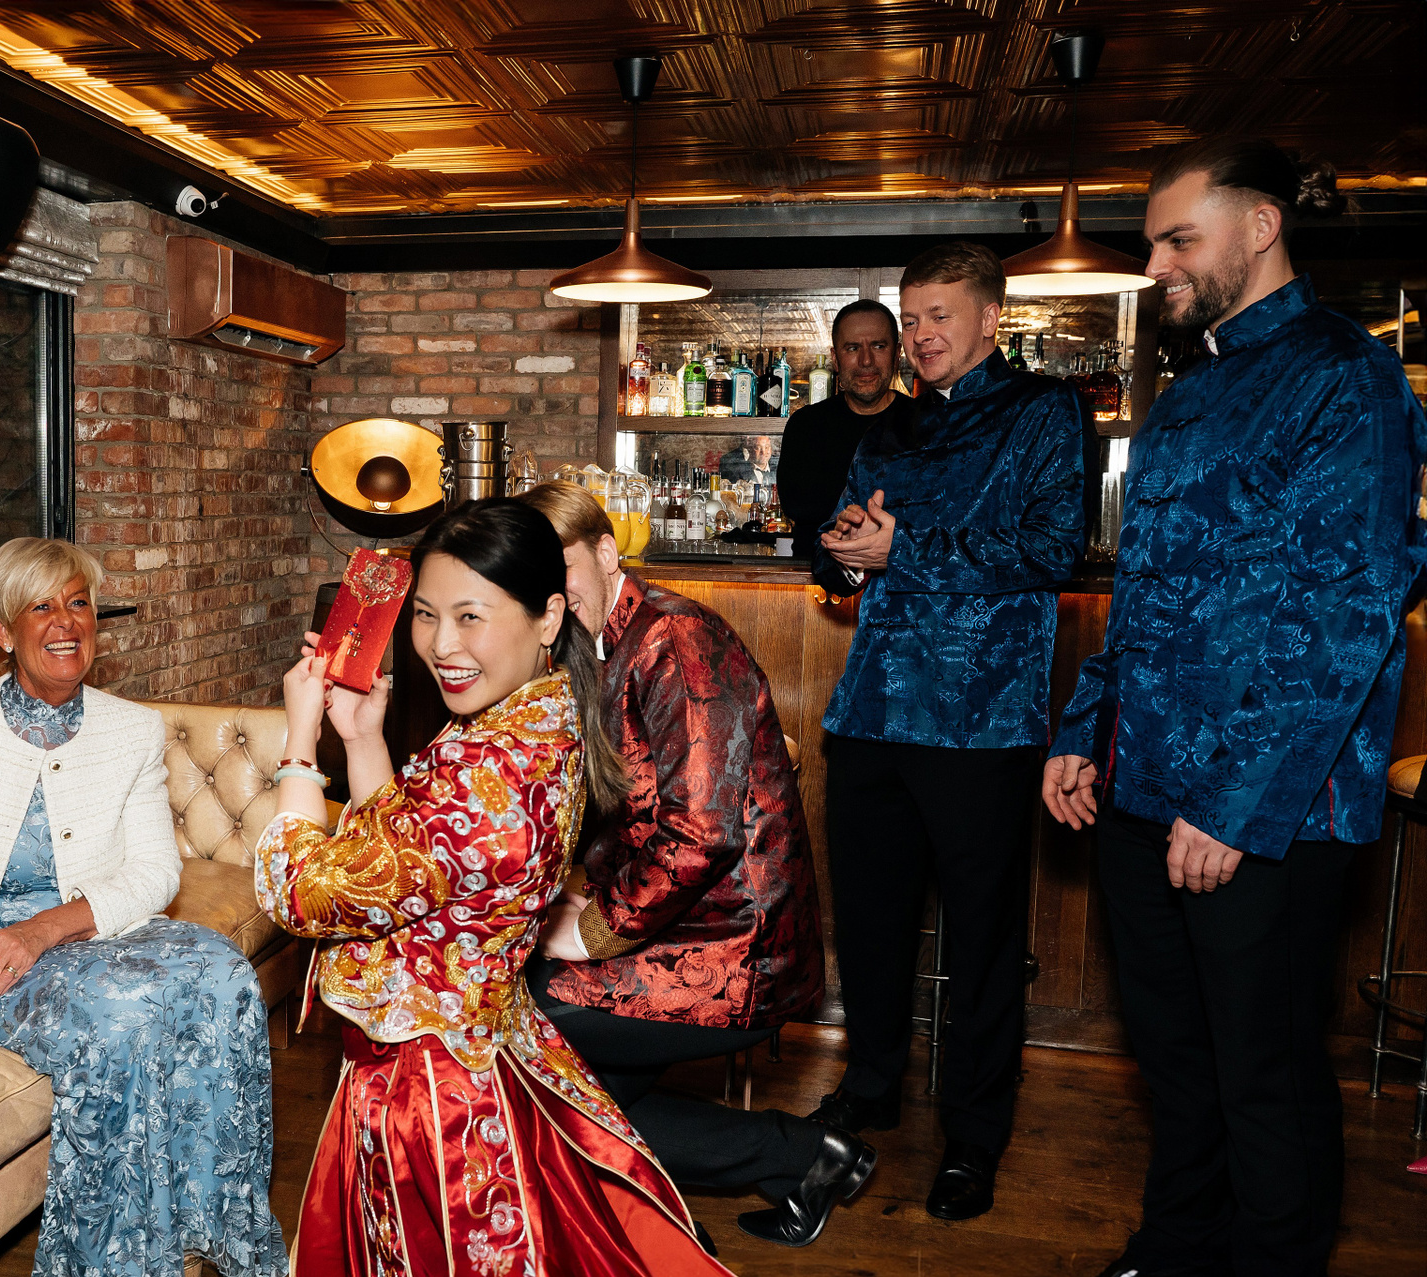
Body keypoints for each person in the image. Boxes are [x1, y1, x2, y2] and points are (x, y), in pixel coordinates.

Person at [1043, 139, 1426, 1277]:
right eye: (1153, 242)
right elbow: (1146, 593)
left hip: (1268, 811)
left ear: (1261, 227)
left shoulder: (1349, 377)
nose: (1157, 263)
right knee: (1173, 1055)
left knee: (1264, 1071)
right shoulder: (1190, 389)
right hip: (1144, 783)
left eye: (1179, 239)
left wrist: (1234, 806)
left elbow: (1344, 615)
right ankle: (1176, 1246)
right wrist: (1084, 728)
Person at [255, 500, 731, 1276]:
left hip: (428, 1096)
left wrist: (299, 744)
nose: (442, 644)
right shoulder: (533, 719)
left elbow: (297, 890)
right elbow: (406, 861)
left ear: (549, 617)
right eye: (426, 615)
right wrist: (364, 736)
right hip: (477, 1053)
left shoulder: (484, 775)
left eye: (470, 616)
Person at [0, 538, 286, 1277]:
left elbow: (154, 872)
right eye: (41, 607)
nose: (66, 622)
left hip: (87, 931)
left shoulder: (131, 729)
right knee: (126, 1018)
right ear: (3, 630)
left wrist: (44, 929)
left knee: (225, 974)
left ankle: (212, 1235)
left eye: (78, 603)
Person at [516, 480, 874, 1250]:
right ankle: (796, 1163)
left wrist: (595, 928)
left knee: (536, 1025)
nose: (550, 589)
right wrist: (570, 892)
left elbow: (703, 833)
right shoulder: (590, 645)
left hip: (740, 942)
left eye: (560, 565)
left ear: (605, 552)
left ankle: (690, 1210)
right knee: (571, 1091)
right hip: (677, 923)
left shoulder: (674, 638)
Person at [812, 242, 1087, 1222]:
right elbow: (844, 543)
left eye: (938, 316)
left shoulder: (1046, 410)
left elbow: (1055, 547)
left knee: (982, 940)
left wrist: (907, 547)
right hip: (873, 710)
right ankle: (871, 1085)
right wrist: (845, 555)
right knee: (871, 923)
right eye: (911, 318)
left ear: (989, 317)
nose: (920, 336)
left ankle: (975, 1131)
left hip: (983, 720)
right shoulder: (889, 425)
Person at [776, 299, 915, 541]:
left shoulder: (926, 423)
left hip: (900, 566)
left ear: (896, 354)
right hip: (817, 565)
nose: (866, 361)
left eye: (878, 346)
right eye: (852, 348)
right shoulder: (806, 425)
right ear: (835, 359)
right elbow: (798, 508)